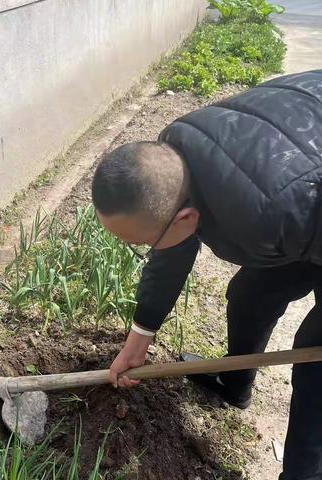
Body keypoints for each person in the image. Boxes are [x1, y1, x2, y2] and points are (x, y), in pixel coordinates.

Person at [91, 70, 322, 480]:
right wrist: (139, 337)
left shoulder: (278, 210)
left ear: (186, 217)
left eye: (144, 243)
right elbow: (171, 245)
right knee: (251, 293)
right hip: (300, 177)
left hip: (305, 193)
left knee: (316, 357)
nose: (146, 252)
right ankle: (235, 384)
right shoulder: (174, 158)